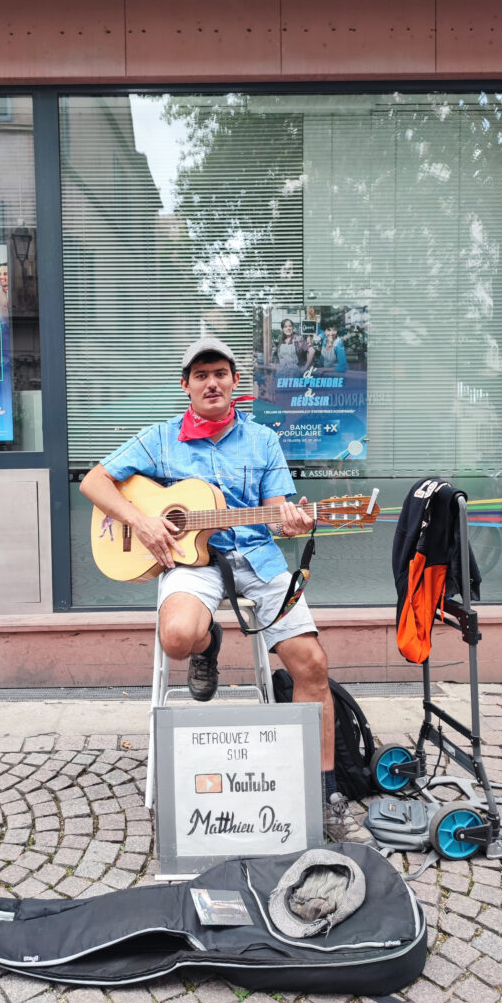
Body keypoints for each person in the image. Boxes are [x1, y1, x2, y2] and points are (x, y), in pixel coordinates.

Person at [80, 337, 373, 845]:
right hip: (190, 561)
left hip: (256, 557)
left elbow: (280, 515)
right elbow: (95, 482)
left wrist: (294, 522)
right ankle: (208, 643)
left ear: (236, 383)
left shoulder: (262, 441)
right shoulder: (160, 439)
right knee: (177, 637)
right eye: (201, 375)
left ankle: (325, 792)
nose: (211, 382)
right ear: (186, 386)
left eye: (220, 373)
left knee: (312, 665)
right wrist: (144, 524)